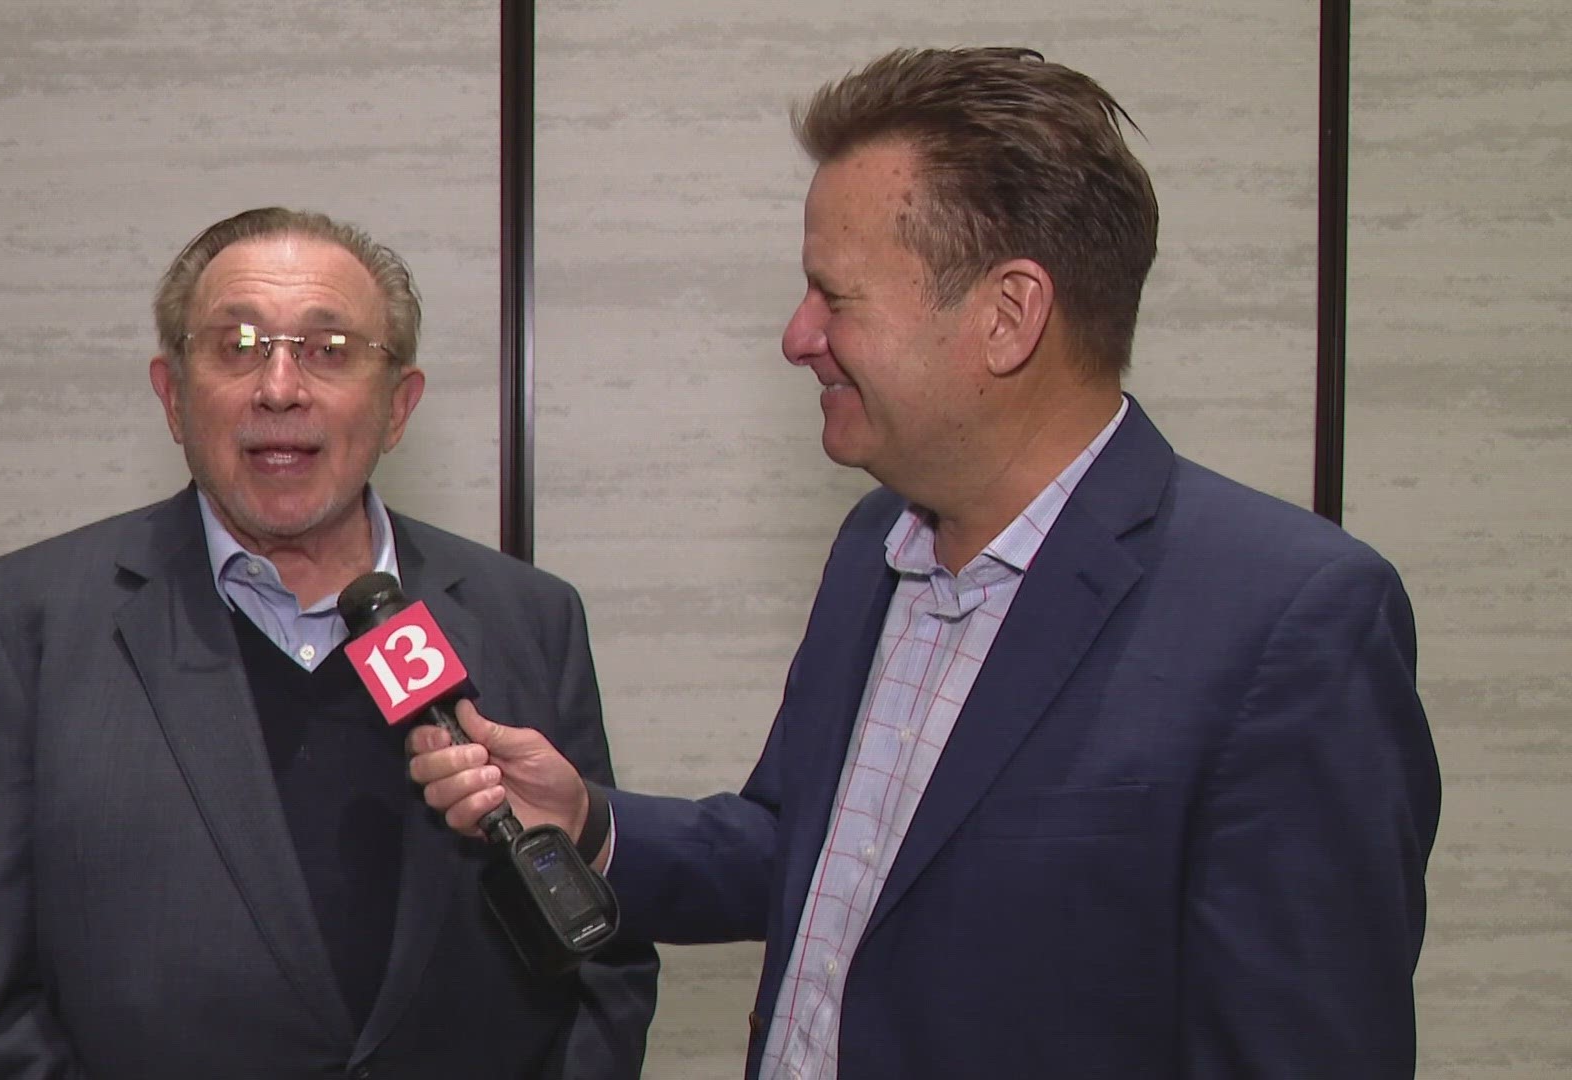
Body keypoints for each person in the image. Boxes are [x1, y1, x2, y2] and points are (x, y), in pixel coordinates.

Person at [409, 48, 1441, 1080]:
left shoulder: (1288, 618)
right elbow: (814, 853)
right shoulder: (877, 546)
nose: (797, 335)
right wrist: (588, 823)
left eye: (834, 295)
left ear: (1007, 315)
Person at [0, 207, 657, 1079]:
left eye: (330, 348)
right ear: (172, 395)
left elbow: (604, 962)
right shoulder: (26, 625)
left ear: (398, 407)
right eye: (238, 345)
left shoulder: (529, 619)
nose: (280, 388)